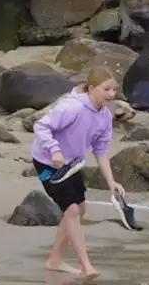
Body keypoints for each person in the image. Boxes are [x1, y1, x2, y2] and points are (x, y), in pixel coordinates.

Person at [30, 66, 124, 279]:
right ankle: (86, 267)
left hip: (71, 164)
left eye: (114, 90)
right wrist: (54, 149)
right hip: (47, 163)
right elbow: (41, 126)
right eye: (106, 89)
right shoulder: (71, 108)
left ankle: (55, 259)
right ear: (92, 88)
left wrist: (112, 183)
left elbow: (100, 151)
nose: (111, 94)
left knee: (79, 209)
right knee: (71, 210)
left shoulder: (105, 116)